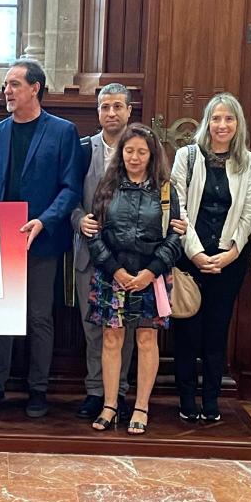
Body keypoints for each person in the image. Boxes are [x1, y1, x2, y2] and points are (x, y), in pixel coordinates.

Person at [0, 59, 84, 418]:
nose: (8, 91)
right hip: (1, 238)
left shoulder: (63, 131)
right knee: (0, 315)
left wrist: (44, 221)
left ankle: (38, 390)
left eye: (15, 84)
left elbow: (70, 189)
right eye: (6, 85)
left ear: (35, 88)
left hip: (42, 240)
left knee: (38, 317)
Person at [86, 124, 182, 435]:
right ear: (120, 153)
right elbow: (94, 234)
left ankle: (141, 406)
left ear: (152, 154)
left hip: (151, 277)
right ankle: (110, 405)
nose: (135, 157)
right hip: (112, 274)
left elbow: (175, 237)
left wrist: (149, 272)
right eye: (129, 151)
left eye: (142, 151)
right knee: (112, 340)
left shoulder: (166, 190)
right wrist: (116, 270)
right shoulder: (107, 186)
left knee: (146, 340)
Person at [169, 93, 251, 423]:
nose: (222, 125)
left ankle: (211, 399)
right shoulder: (187, 156)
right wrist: (196, 253)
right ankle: (187, 398)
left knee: (217, 332)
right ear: (207, 122)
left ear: (238, 125)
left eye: (229, 119)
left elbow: (249, 211)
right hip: (189, 258)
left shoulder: (247, 161)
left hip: (228, 261)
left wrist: (230, 253)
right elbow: (179, 208)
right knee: (188, 331)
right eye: (216, 118)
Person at [72, 83, 137, 421]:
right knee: (93, 327)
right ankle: (95, 391)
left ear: (129, 110)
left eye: (117, 106)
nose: (111, 113)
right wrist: (79, 219)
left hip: (128, 260)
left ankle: (119, 392)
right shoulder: (82, 150)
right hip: (88, 254)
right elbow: (68, 197)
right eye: (104, 107)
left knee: (122, 329)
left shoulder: (140, 149)